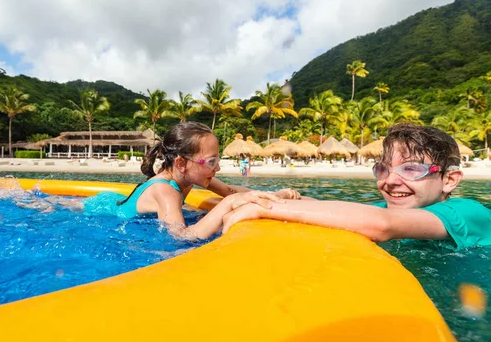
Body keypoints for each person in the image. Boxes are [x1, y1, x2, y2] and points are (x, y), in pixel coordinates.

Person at [223, 123, 491, 250]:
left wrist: (267, 208)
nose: (390, 180)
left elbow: (382, 224)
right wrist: (260, 197)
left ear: (449, 180)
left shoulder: (466, 212)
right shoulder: (389, 207)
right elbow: (323, 207)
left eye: (410, 168)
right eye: (383, 169)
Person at [80, 122, 301, 240]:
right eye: (212, 161)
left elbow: (231, 193)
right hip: (105, 209)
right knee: (72, 205)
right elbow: (181, 237)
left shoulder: (192, 177)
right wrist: (225, 206)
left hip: (120, 201)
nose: (218, 168)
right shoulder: (165, 192)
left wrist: (274, 195)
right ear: (182, 163)